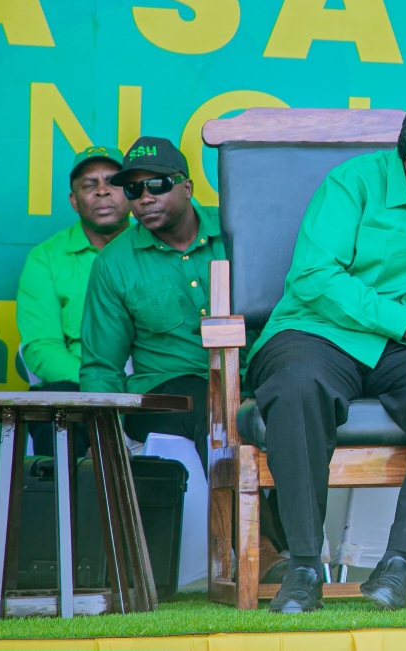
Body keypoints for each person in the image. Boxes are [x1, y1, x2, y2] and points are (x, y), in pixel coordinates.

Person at [246, 95, 406, 614]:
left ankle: (401, 562)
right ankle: (303, 566)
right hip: (321, 332)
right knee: (298, 384)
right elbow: (315, 277)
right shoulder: (353, 184)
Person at [78, 136, 287, 584]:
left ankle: (298, 552)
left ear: (187, 187)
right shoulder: (114, 264)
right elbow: (101, 366)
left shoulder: (238, 233)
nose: (144, 197)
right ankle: (263, 551)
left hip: (254, 377)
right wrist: (102, 437)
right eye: (133, 189)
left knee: (297, 398)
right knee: (214, 407)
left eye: (156, 184)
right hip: (168, 393)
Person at [16, 145, 129, 455]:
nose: (102, 191)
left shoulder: (154, 248)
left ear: (131, 191)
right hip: (79, 382)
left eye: (113, 182)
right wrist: (100, 385)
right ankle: (63, 490)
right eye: (89, 185)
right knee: (55, 408)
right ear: (74, 201)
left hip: (147, 384)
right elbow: (41, 348)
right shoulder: (46, 258)